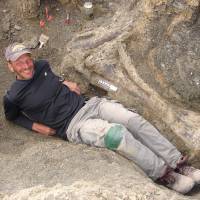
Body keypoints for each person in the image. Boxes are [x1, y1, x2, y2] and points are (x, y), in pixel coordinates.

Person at [3, 43, 200, 194]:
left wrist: (64, 81)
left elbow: (52, 79)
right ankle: (165, 175)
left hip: (90, 105)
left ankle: (179, 164)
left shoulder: (42, 65)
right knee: (116, 134)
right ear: (10, 66)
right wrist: (35, 126)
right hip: (73, 125)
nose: (26, 65)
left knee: (132, 120)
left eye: (27, 59)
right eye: (19, 62)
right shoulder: (13, 96)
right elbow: (13, 117)